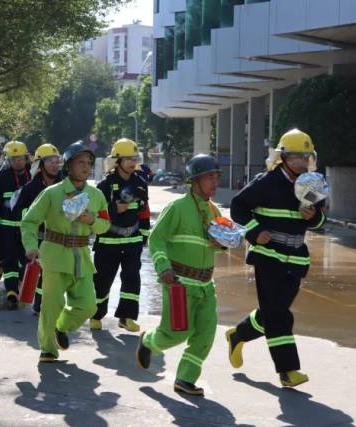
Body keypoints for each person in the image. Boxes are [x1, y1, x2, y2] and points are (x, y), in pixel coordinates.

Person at [226, 129, 326, 388]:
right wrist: (255, 232)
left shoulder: (311, 185)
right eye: (298, 157)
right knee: (280, 315)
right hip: (268, 257)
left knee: (273, 312)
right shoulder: (266, 182)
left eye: (307, 157)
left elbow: (320, 221)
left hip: (296, 259)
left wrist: (313, 217)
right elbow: (238, 207)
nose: (303, 162)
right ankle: (288, 371)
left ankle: (238, 335)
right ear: (284, 157)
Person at [136, 154, 224, 397]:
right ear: (194, 180)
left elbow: (216, 245)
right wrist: (163, 266)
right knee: (176, 332)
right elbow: (156, 239)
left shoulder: (214, 211)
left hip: (206, 285)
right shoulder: (177, 208)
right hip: (179, 283)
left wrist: (222, 243)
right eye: (209, 177)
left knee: (205, 335)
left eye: (217, 177)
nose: (215, 182)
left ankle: (185, 379)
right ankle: (148, 342)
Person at [21, 141, 110, 363]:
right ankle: (48, 349)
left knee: (88, 306)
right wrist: (31, 247)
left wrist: (92, 220)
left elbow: (105, 225)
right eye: (80, 162)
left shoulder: (96, 195)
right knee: (51, 306)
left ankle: (61, 327)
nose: (86, 167)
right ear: (68, 165)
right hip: (54, 255)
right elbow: (29, 222)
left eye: (88, 162)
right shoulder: (52, 193)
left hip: (82, 257)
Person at [90, 138, 150, 333]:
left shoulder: (140, 183)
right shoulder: (105, 185)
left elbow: (144, 212)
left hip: (133, 241)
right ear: (118, 161)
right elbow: (94, 214)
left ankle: (127, 317)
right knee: (102, 280)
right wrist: (113, 209)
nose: (133, 162)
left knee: (132, 279)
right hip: (108, 242)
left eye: (135, 158)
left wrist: (144, 235)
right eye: (129, 159)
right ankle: (96, 315)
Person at [14, 143, 63, 315]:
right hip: (38, 237)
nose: (55, 165)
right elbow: (21, 212)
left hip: (58, 238)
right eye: (50, 161)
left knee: (53, 274)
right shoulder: (30, 188)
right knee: (39, 270)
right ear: (40, 165)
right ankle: (38, 303)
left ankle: (42, 304)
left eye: (57, 161)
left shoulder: (64, 186)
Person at [0, 141, 31, 309]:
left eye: (20, 159)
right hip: (6, 228)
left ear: (26, 159)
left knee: (25, 259)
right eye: (14, 159)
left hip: (27, 229)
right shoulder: (1, 178)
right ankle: (12, 291)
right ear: (8, 161)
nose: (17, 162)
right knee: (9, 259)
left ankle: (19, 281)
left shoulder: (33, 177)